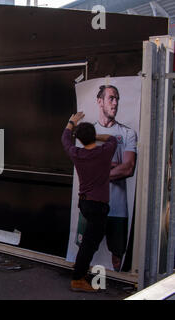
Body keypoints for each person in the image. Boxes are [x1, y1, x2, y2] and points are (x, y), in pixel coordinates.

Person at [62, 112, 117, 292]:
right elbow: (112, 138)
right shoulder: (104, 152)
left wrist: (71, 123)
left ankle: (80, 269)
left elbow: (65, 139)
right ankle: (78, 279)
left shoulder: (77, 153)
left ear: (80, 139)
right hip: (98, 205)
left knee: (89, 240)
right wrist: (96, 136)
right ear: (93, 136)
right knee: (89, 243)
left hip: (85, 204)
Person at [93, 85, 137, 271]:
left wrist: (99, 172)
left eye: (117, 99)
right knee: (85, 249)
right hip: (92, 205)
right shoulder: (88, 132)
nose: (115, 103)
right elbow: (85, 169)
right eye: (111, 98)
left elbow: (128, 168)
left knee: (118, 256)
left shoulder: (128, 133)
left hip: (118, 209)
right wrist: (113, 167)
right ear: (100, 101)